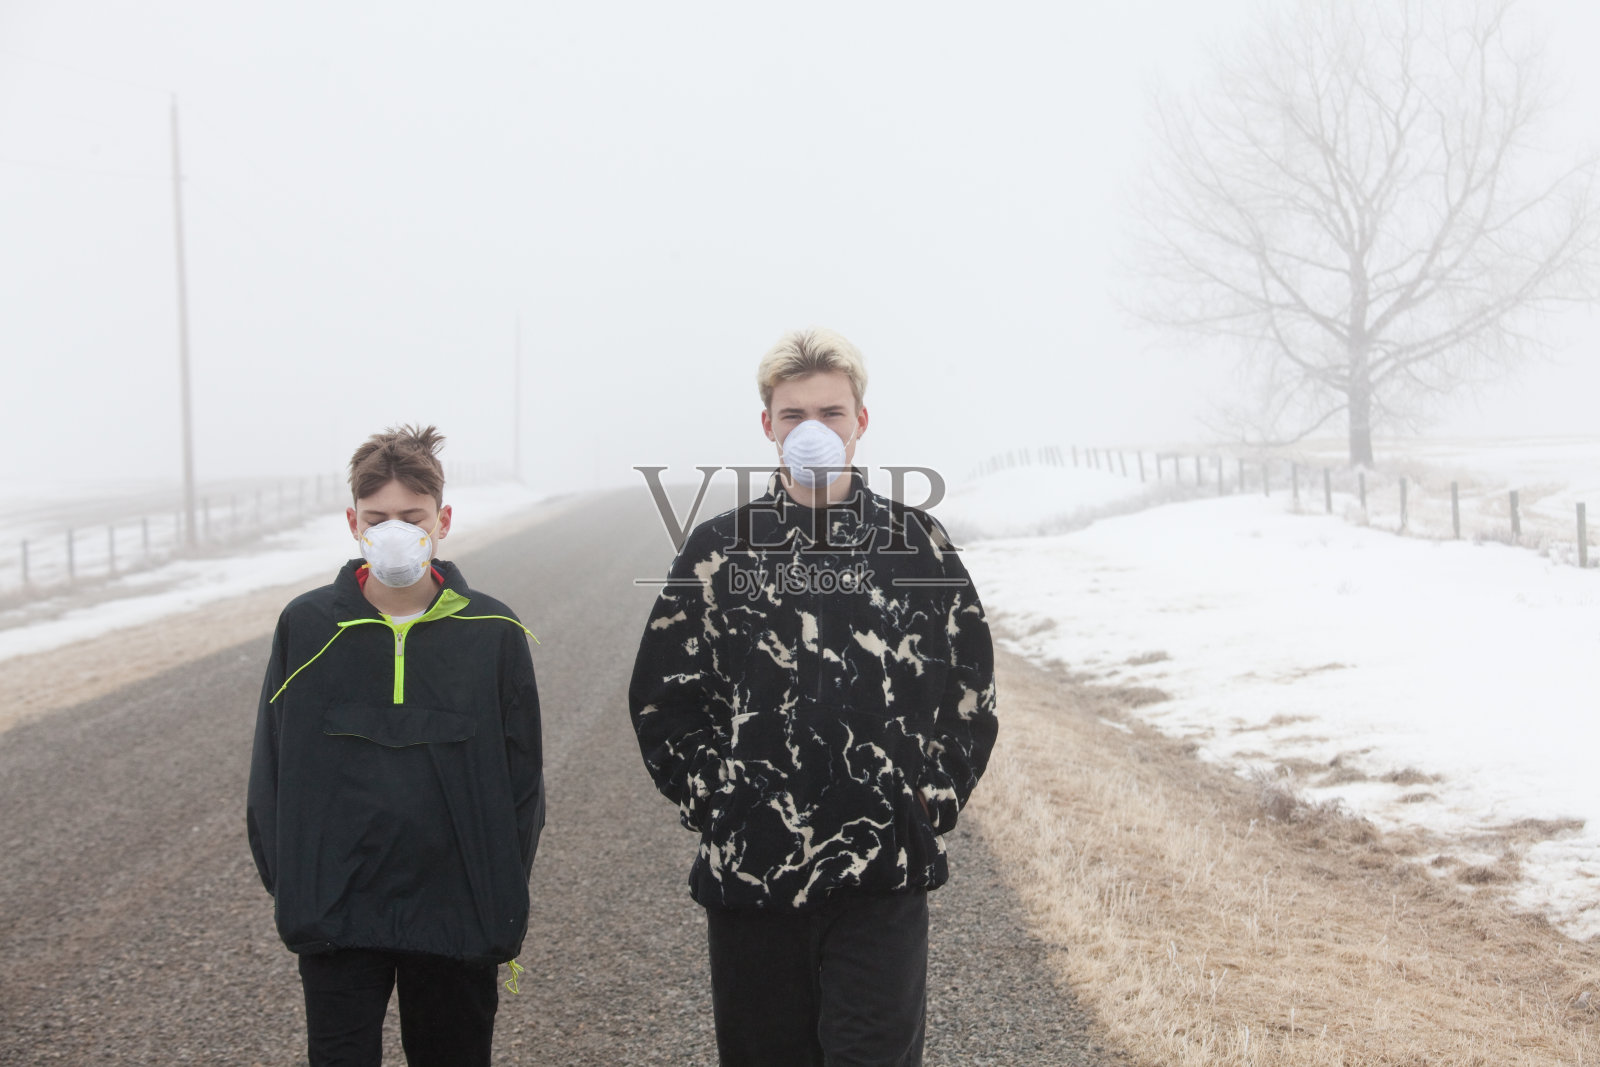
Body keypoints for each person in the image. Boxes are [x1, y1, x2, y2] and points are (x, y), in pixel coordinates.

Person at [628, 328, 998, 1066]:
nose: (813, 431)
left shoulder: (917, 544)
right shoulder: (716, 551)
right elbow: (662, 700)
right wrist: (722, 800)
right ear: (767, 426)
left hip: (881, 872)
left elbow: (971, 688)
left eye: (831, 412)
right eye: (794, 415)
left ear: (861, 421)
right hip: (753, 879)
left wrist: (929, 799)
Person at [247, 424, 544, 1067]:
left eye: (412, 517)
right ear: (353, 521)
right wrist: (296, 885)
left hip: (457, 913)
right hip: (337, 915)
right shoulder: (306, 625)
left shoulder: (492, 631)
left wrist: (497, 891)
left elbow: (523, 784)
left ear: (443, 520)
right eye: (378, 517)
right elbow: (270, 770)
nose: (395, 532)